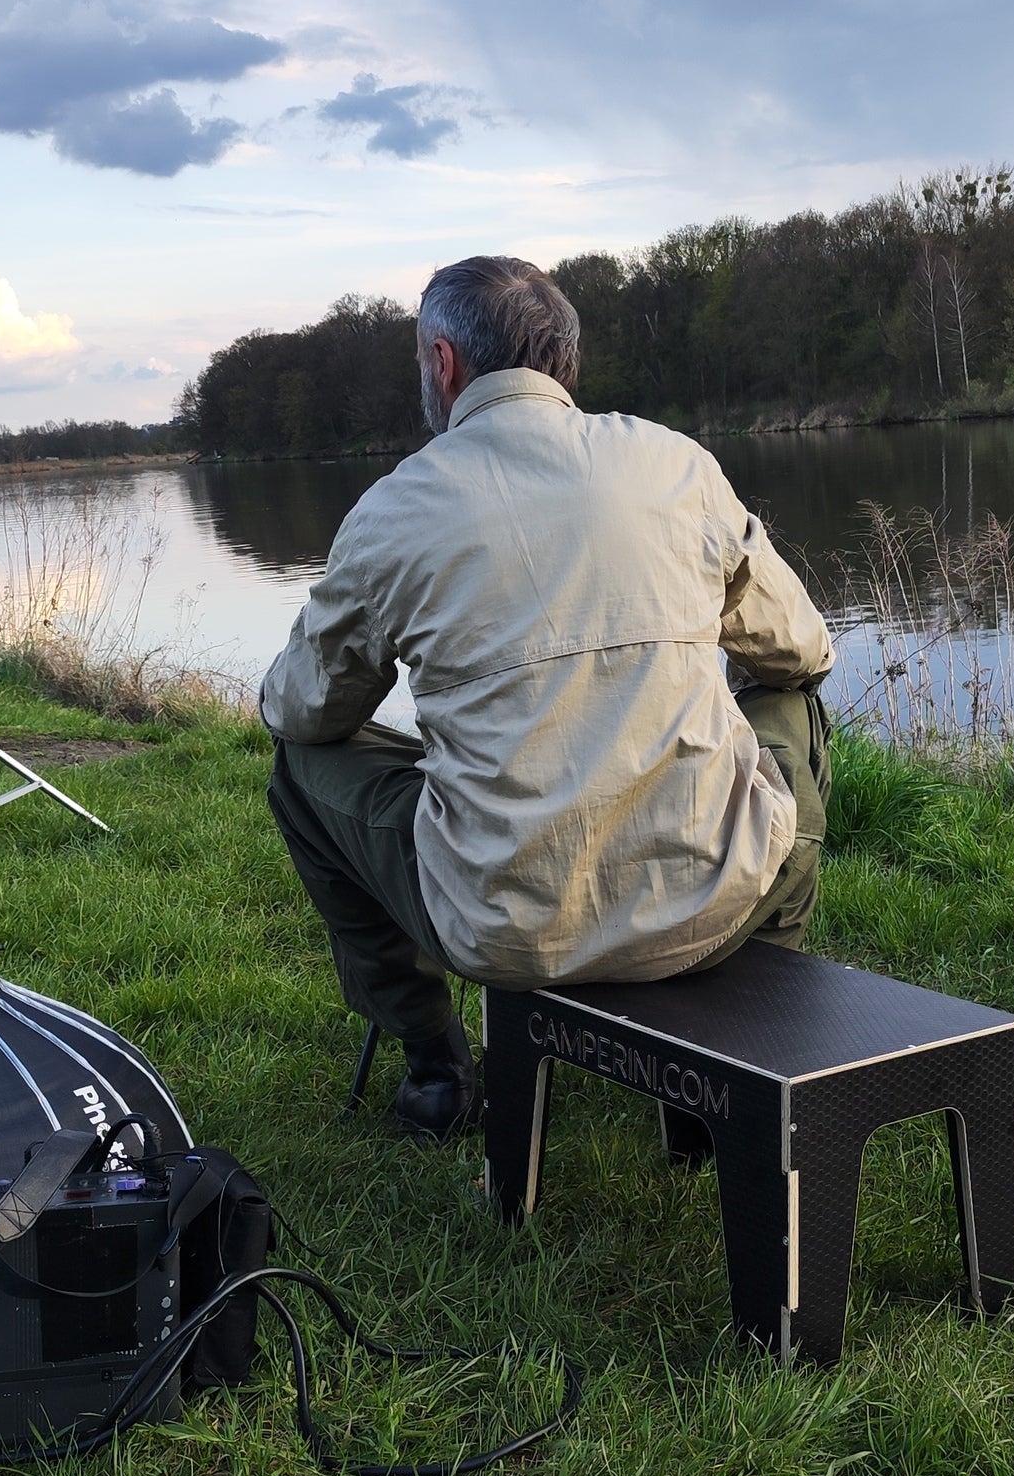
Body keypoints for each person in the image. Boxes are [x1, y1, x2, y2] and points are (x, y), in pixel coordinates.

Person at [259, 255, 833, 1140]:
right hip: (718, 899)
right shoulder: (676, 464)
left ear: (444, 364)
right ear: (564, 363)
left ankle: (435, 1067)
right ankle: (745, 1036)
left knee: (300, 770)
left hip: (507, 932)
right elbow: (803, 647)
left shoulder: (393, 510)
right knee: (792, 702)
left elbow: (304, 715)